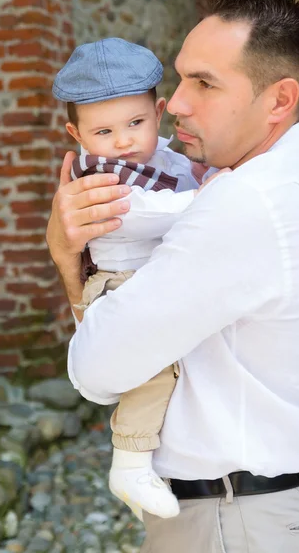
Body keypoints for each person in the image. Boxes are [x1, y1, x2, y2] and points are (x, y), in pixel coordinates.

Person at [46, 0, 299, 553]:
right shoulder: (285, 181)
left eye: (206, 84)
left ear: (279, 100)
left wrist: (68, 259)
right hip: (253, 514)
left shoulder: (243, 206)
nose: (179, 103)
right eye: (183, 76)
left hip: (235, 523)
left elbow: (98, 370)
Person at [52, 38, 203, 520]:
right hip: (118, 280)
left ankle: (157, 464)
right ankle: (131, 459)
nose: (123, 141)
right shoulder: (101, 174)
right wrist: (211, 199)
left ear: (159, 113)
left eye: (136, 123)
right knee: (153, 366)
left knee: (177, 370)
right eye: (103, 131)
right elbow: (142, 212)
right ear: (75, 133)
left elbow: (185, 174)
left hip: (148, 275)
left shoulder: (162, 158)